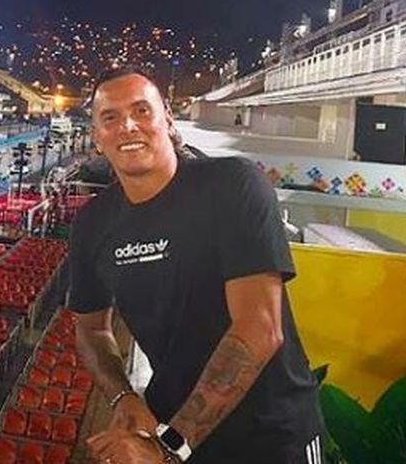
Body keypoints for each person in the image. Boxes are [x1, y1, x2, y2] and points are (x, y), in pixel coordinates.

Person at [69, 66, 324, 464]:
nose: (128, 126)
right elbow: (91, 328)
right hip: (173, 426)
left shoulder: (233, 185)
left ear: (168, 119)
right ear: (97, 138)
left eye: (141, 111)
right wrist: (123, 395)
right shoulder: (93, 224)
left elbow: (260, 327)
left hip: (273, 433)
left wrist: (171, 447)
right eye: (110, 117)